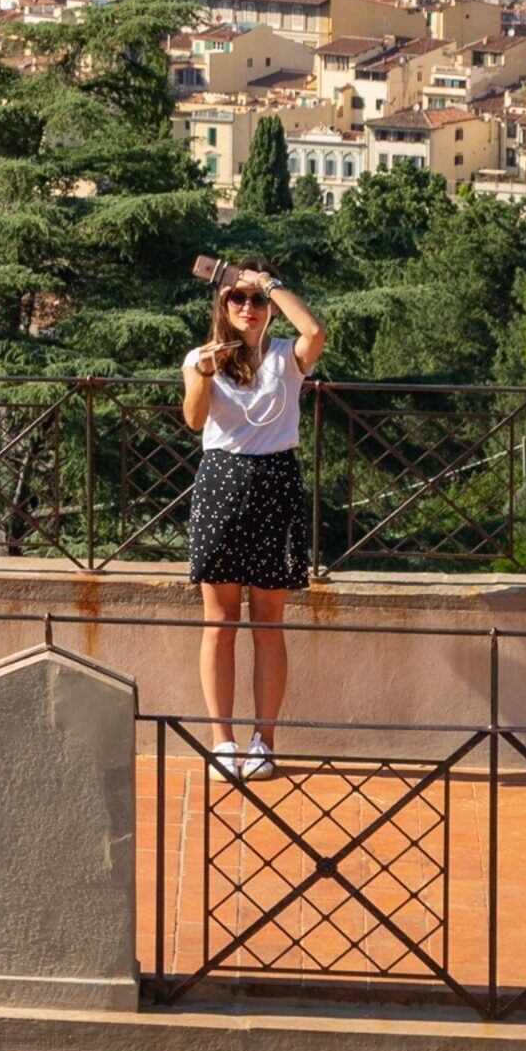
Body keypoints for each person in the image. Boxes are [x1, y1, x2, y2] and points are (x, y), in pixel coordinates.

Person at [183, 262, 324, 780]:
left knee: (268, 626)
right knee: (219, 626)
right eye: (237, 299)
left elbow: (314, 330)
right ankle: (222, 741)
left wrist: (269, 283)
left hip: (276, 485)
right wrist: (203, 373)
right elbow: (194, 420)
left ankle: (264, 740)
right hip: (221, 484)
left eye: (256, 301)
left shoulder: (289, 356)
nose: (248, 308)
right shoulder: (201, 359)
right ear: (221, 306)